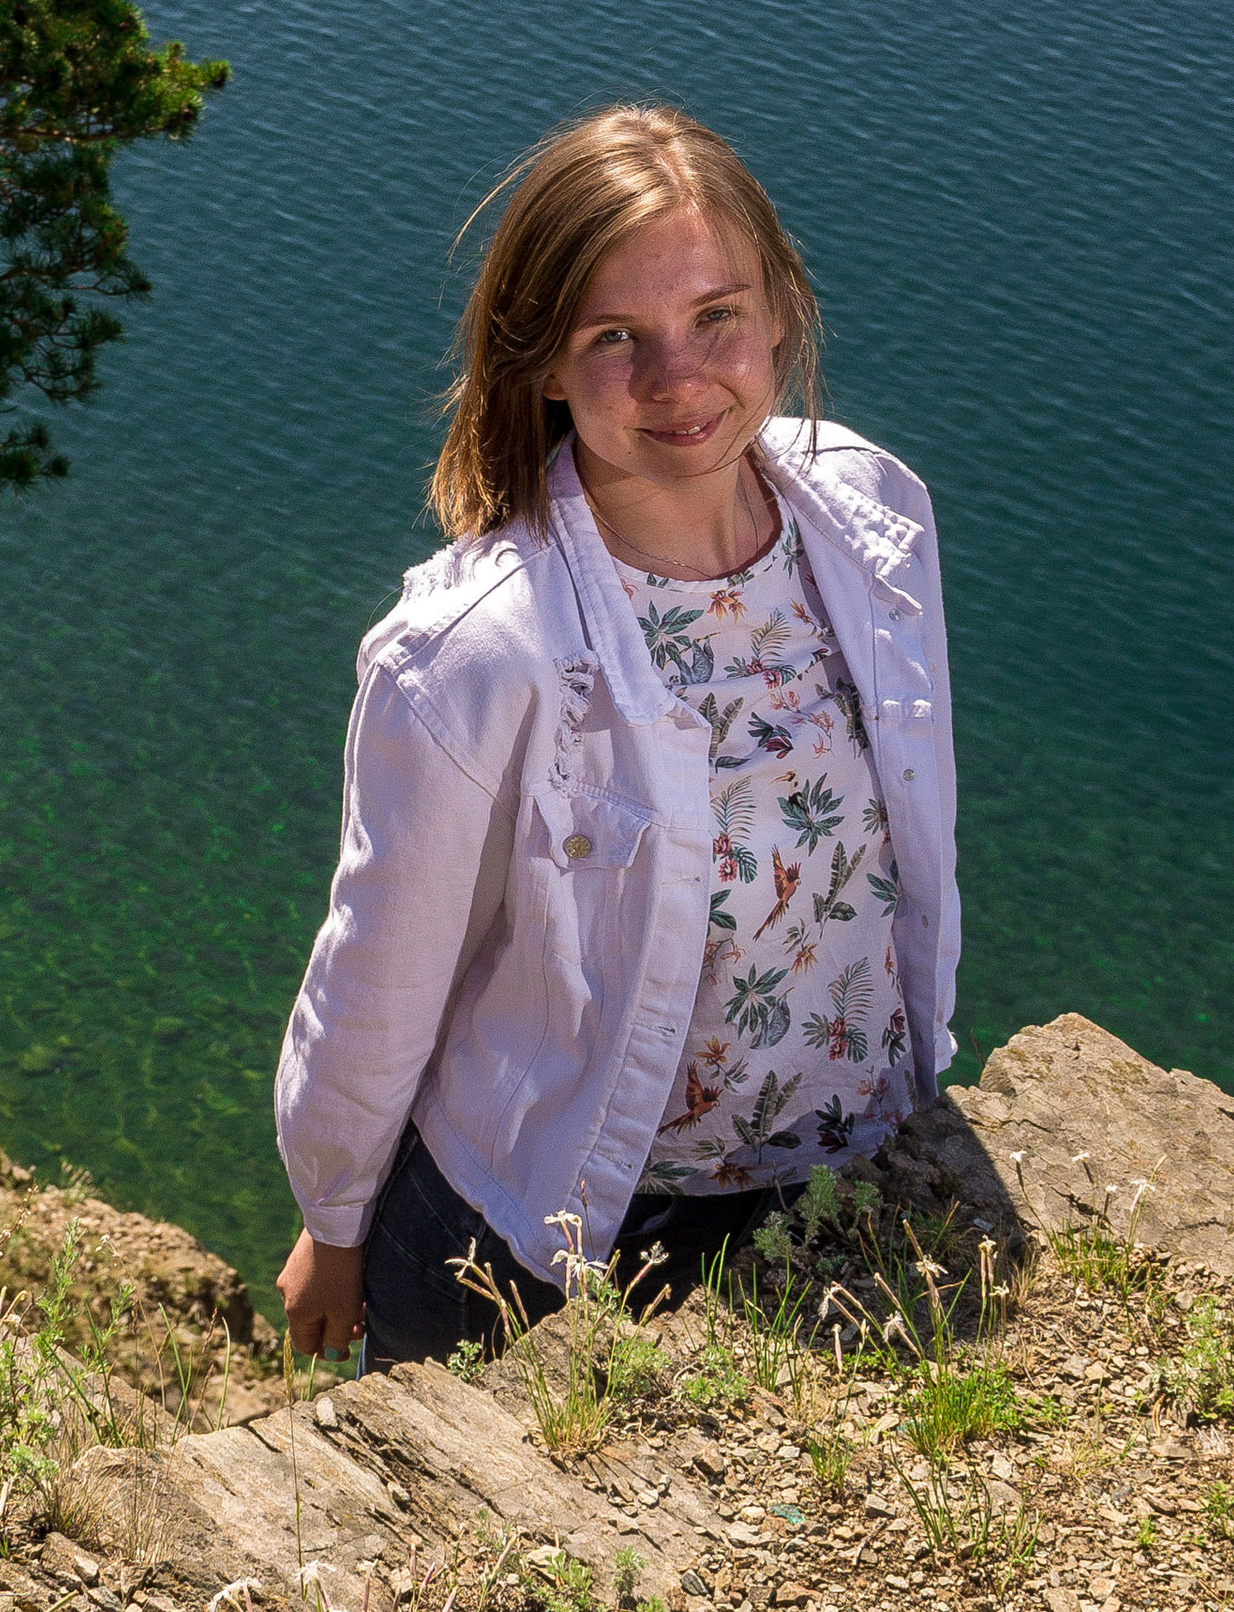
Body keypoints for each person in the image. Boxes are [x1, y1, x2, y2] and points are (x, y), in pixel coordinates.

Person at [274, 103, 959, 1368]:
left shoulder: (872, 517)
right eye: (614, 338)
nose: (679, 376)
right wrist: (334, 1218)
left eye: (716, 316)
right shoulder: (474, 653)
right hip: (557, 1240)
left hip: (845, 1171)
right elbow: (380, 965)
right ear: (537, 363)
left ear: (781, 311)